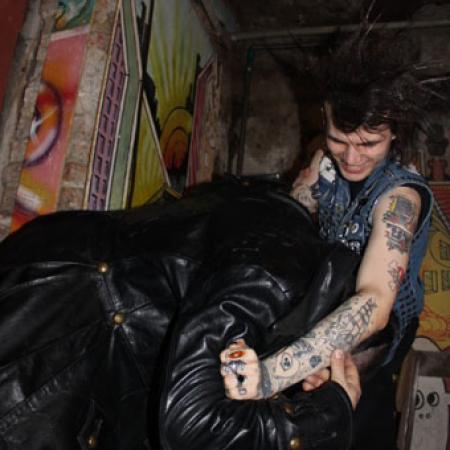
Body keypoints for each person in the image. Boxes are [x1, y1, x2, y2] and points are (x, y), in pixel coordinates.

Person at [221, 29, 437, 450]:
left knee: (352, 408)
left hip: (381, 326)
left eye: (369, 144)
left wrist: (270, 375)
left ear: (394, 133)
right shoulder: (324, 157)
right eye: (340, 139)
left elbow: (375, 302)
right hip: (327, 291)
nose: (352, 158)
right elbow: (291, 216)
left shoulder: (401, 197)